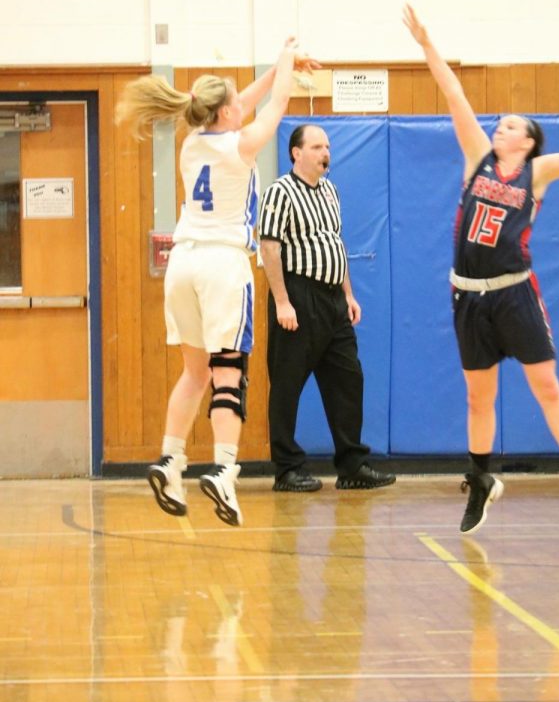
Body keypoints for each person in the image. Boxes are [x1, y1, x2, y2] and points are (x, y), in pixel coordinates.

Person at [403, 3, 559, 534]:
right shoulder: (476, 159)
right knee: (477, 395)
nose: (499, 126)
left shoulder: (538, 172)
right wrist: (427, 45)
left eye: (509, 125)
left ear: (528, 140)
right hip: (467, 295)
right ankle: (481, 479)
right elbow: (454, 94)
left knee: (546, 386)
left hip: (514, 293)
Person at [115, 38, 319, 527]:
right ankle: (226, 470)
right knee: (229, 371)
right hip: (223, 265)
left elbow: (247, 102)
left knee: (194, 372)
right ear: (226, 113)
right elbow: (278, 106)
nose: (240, 107)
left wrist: (275, 68)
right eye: (235, 104)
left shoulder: (192, 142)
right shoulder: (241, 146)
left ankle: (171, 460)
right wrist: (287, 55)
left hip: (182, 263)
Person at [259, 123, 397, 492]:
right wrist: (283, 302)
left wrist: (348, 294)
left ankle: (352, 465)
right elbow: (270, 249)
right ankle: (287, 468)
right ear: (296, 152)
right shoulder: (280, 192)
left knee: (348, 379)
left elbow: (335, 244)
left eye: (328, 147)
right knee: (287, 384)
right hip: (298, 296)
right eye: (317, 147)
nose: (326, 154)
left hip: (333, 299)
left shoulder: (331, 191)